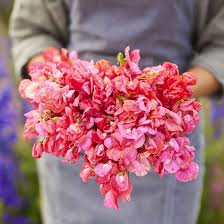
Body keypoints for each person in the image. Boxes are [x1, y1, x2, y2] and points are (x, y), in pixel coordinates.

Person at [9, 1, 224, 224]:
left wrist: (171, 92)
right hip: (76, 139)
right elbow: (33, 30)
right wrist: (59, 89)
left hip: (163, 141)